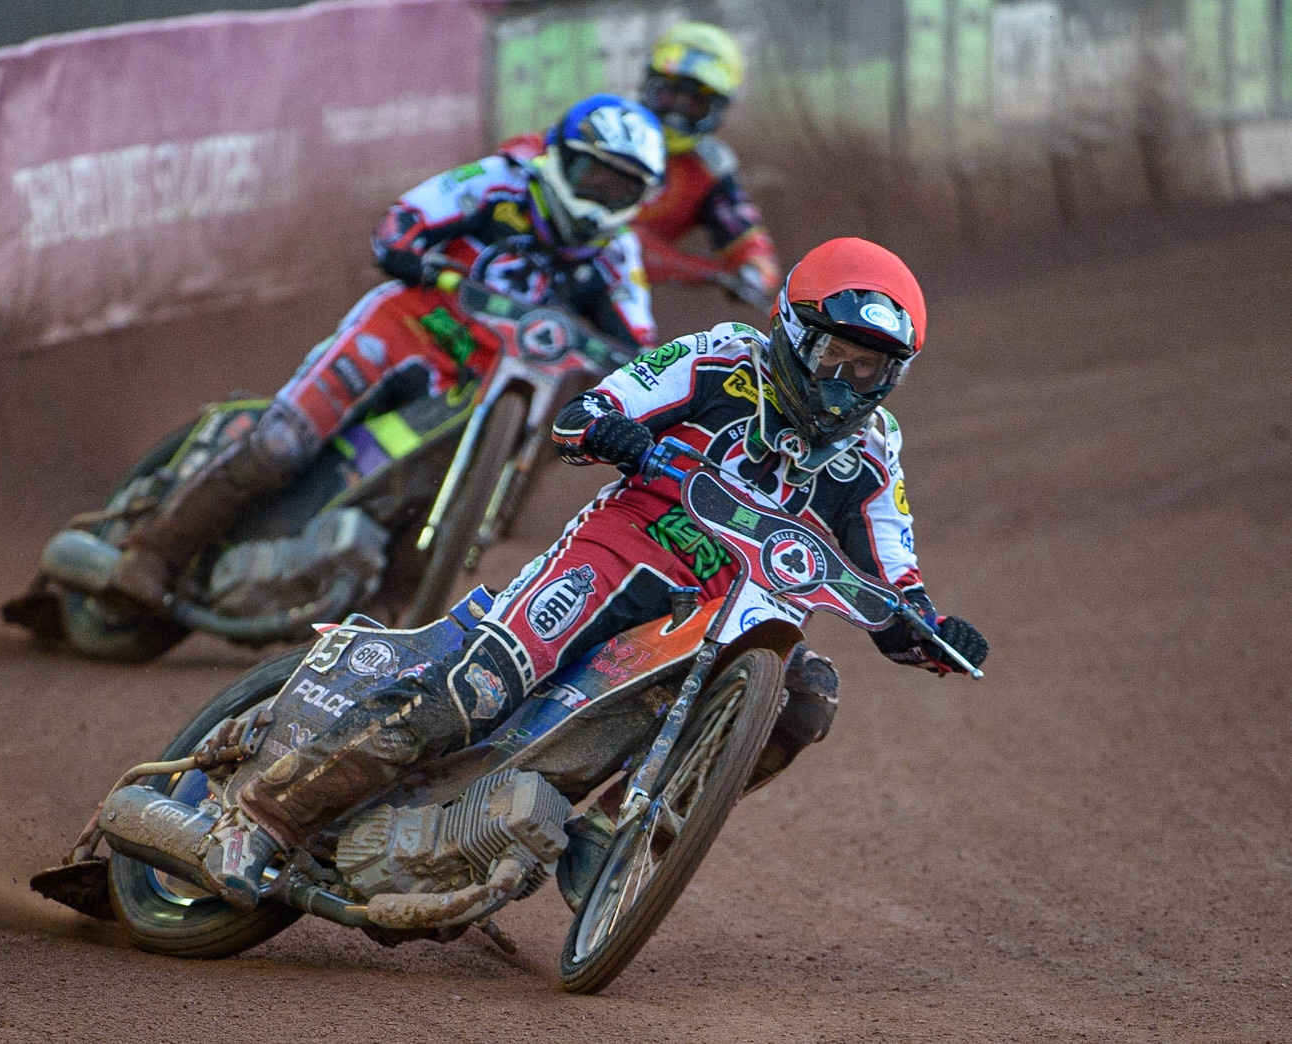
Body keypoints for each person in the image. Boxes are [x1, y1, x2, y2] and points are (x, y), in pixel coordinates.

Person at [228, 236, 989, 901]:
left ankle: (616, 837)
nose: (843, 386)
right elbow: (586, 414)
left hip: (726, 613)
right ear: (793, 330)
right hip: (621, 551)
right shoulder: (719, 359)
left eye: (869, 372)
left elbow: (893, 570)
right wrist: (615, 435)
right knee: (479, 687)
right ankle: (265, 814)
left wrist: (930, 626)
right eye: (833, 358)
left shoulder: (874, 448)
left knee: (806, 698)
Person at [106, 94, 668, 610]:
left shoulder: (617, 254)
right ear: (559, 157)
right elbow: (407, 218)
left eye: (621, 188)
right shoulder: (501, 182)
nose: (602, 195)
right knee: (285, 441)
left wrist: (636, 375)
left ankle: (385, 607)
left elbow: (638, 344)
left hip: (483, 381)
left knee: (430, 488)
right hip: (410, 326)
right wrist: (408, 251)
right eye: (593, 174)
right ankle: (153, 552)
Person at [502, 22, 780, 300]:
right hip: (521, 247)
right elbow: (521, 151)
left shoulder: (711, 166)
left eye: (696, 102)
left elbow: (744, 235)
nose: (677, 112)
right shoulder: (607, 119)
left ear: (717, 109)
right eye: (671, 93)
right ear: (649, 83)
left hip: (606, 287)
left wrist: (755, 270)